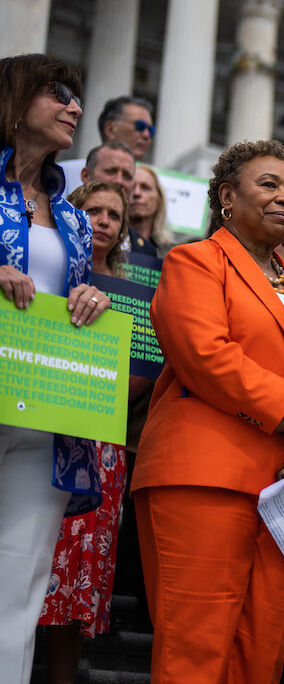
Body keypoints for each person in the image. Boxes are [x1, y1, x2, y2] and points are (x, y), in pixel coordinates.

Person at [130, 138, 284, 683]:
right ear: (227, 197)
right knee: (196, 653)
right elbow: (207, 357)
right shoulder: (195, 261)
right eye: (269, 185)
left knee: (263, 656)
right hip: (206, 476)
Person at [0, 53, 111, 684]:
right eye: (57, 93)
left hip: (46, 416)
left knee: (21, 581)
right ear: (15, 103)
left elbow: (73, 303)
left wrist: (89, 300)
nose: (73, 107)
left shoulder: (72, 217)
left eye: (75, 96)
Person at [38, 181, 138, 684]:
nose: (103, 220)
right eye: (92, 210)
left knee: (78, 577)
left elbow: (139, 370)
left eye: (113, 215)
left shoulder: (133, 297)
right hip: (40, 427)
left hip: (101, 441)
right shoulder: (49, 272)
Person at [128, 165, 172, 256]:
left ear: (159, 201)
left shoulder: (171, 253)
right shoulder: (109, 246)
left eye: (145, 187)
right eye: (131, 187)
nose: (137, 193)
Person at [98, 95, 155, 162]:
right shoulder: (83, 169)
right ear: (110, 129)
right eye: (140, 126)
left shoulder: (150, 172)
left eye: (151, 130)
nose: (147, 135)